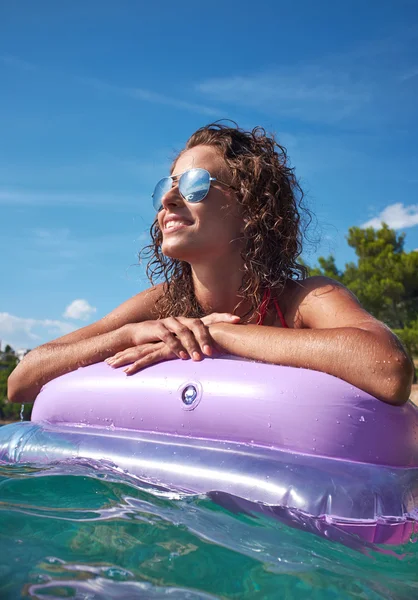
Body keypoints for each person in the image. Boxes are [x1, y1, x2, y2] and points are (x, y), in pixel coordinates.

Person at [8, 123, 414, 406]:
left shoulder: (301, 301)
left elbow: (389, 369)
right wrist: (127, 336)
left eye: (194, 185)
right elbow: (21, 382)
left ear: (252, 209)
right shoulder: (160, 307)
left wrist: (217, 333)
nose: (168, 200)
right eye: (165, 188)